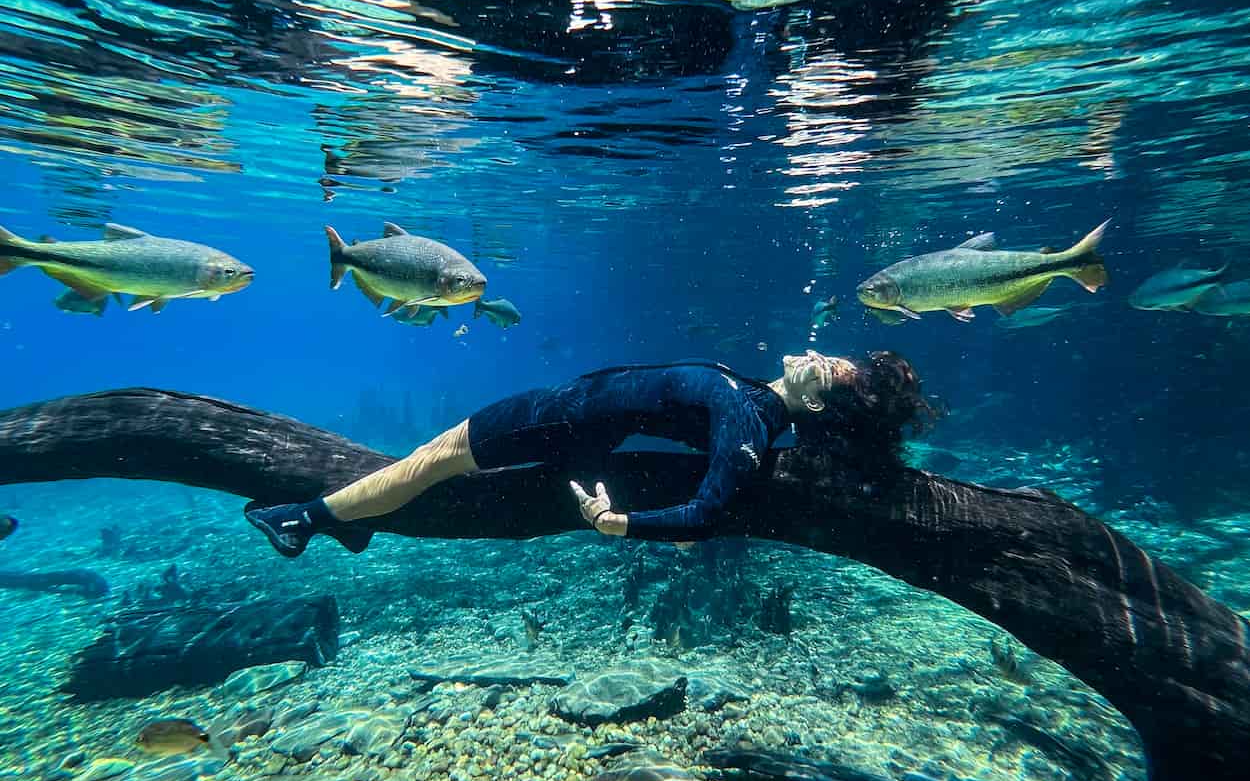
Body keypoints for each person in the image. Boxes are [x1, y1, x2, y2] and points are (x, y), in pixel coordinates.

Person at [245, 350, 930, 557]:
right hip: (577, 426)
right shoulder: (751, 403)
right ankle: (355, 520)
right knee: (436, 462)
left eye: (831, 373)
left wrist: (619, 524)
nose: (822, 357)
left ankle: (303, 519)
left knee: (435, 456)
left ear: (813, 403)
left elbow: (706, 512)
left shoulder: (745, 420)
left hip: (555, 421)